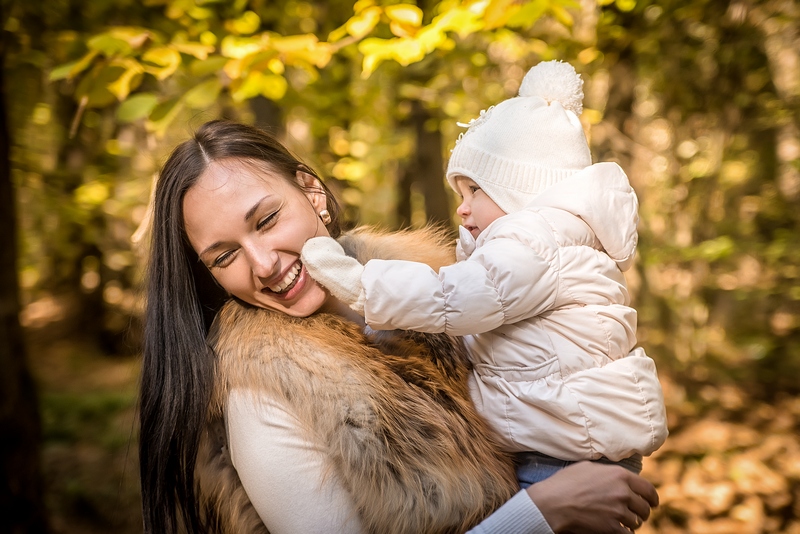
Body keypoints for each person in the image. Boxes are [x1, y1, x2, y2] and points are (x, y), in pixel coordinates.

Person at [140, 118, 659, 534]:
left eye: (267, 220)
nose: (263, 264)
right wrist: (541, 514)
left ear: (312, 192)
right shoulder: (260, 394)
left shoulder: (446, 283)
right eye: (225, 255)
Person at [301, 60, 669, 488]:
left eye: (475, 190)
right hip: (568, 435)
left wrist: (360, 284)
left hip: (563, 454)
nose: (462, 208)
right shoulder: (553, 240)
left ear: (522, 192)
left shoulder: (532, 242)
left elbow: (452, 298)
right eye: (460, 192)